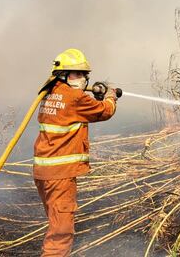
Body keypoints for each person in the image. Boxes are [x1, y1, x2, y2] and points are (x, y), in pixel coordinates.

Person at [33, 48, 117, 256]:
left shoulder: (50, 92)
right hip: (60, 174)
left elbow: (75, 109)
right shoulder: (75, 98)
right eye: (77, 74)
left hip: (44, 173)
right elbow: (104, 111)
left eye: (84, 75)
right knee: (61, 232)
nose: (82, 79)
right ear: (63, 74)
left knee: (55, 221)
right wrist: (111, 96)